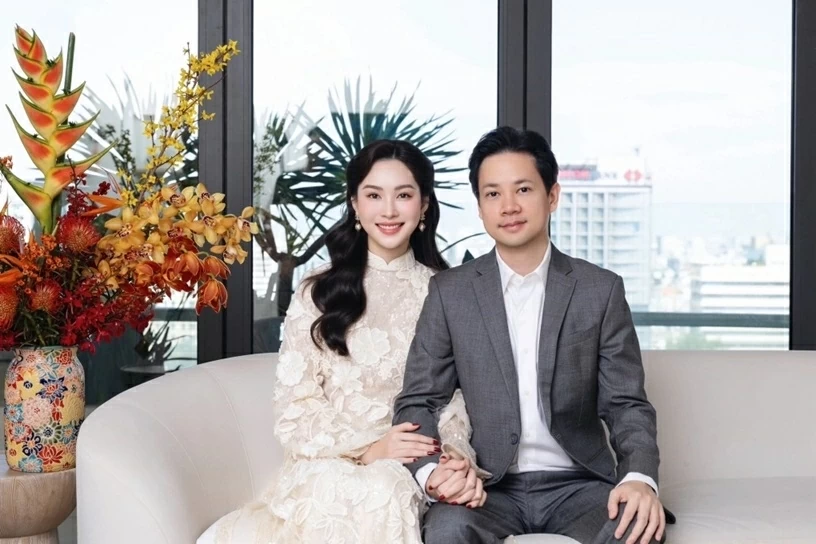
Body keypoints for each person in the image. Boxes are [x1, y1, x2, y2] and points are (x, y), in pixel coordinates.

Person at [394, 126, 674, 544]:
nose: (508, 206)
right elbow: (419, 401)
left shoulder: (600, 290)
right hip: (487, 486)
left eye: (523, 189)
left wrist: (638, 478)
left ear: (552, 196)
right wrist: (433, 473)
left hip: (579, 484)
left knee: (638, 528)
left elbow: (626, 404)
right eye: (493, 194)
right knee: (447, 531)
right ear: (480, 207)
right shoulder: (450, 293)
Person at [211, 139, 483, 544]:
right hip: (328, 462)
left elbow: (458, 395)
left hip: (408, 468)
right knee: (364, 489)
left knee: (386, 488)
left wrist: (451, 457)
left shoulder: (446, 292)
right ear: (354, 204)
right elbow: (295, 405)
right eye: (373, 195)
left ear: (424, 204)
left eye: (403, 195)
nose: (388, 211)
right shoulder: (317, 291)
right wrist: (370, 449)